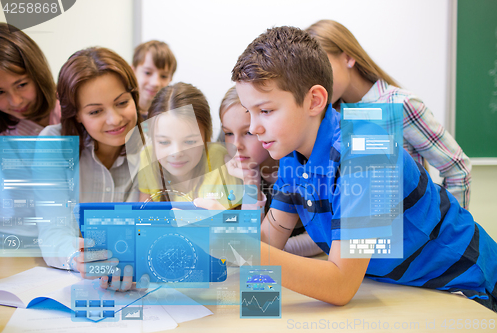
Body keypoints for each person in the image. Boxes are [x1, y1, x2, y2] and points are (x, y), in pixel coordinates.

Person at [231, 26, 497, 311]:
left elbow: (339, 285)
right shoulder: (292, 155)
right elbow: (270, 241)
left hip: (464, 286)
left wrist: (249, 252)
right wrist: (220, 236)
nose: (255, 127)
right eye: (250, 112)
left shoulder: (367, 150)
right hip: (400, 288)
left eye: (266, 111)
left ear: (315, 100)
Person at [306, 19, 472, 209]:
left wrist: (444, 228)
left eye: (324, 69)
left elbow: (458, 169)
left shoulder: (401, 104)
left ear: (348, 58)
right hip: (357, 235)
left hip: (411, 235)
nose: (319, 82)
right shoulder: (330, 116)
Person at [38, 47, 143, 291]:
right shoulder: (54, 145)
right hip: (73, 286)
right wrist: (78, 258)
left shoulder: (155, 142)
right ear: (76, 115)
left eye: (122, 103)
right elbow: (53, 233)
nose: (115, 119)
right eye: (96, 111)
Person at [218, 86, 322, 257]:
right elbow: (248, 242)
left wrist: (271, 252)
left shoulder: (298, 168)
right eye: (228, 133)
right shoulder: (231, 169)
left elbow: (320, 241)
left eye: (248, 133)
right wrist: (251, 184)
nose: (236, 144)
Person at [0, 23, 60, 246]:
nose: (15, 101)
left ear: (37, 72)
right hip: (17, 238)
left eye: (21, 84)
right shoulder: (3, 133)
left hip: (70, 234)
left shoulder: (71, 109)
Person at [138, 82, 241, 209]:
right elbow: (142, 214)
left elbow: (237, 220)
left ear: (206, 138)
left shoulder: (220, 160)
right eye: (164, 142)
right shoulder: (147, 158)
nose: (176, 153)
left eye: (190, 142)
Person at [132, 40, 177, 118]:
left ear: (170, 78)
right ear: (133, 71)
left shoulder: (171, 116)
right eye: (147, 73)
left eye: (164, 76)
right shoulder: (125, 114)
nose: (155, 83)